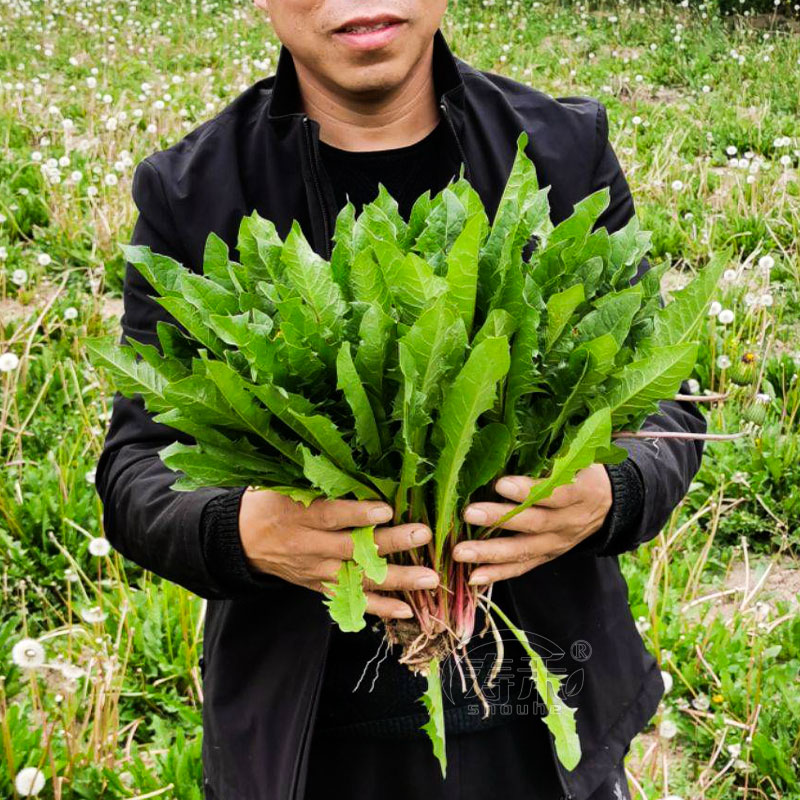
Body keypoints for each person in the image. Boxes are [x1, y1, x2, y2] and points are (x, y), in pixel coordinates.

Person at [95, 2, 707, 799]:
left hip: (543, 726)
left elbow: (665, 403)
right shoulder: (190, 190)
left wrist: (612, 491)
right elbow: (135, 473)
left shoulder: (561, 148)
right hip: (306, 752)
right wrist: (242, 531)